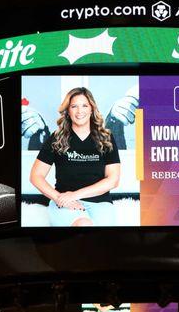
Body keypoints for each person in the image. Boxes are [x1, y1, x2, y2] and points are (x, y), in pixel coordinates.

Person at [29, 87, 121, 226]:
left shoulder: (105, 138)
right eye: (74, 106)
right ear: (68, 111)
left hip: (100, 203)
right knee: (83, 224)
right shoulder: (57, 138)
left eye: (84, 105)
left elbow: (113, 180)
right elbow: (36, 176)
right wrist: (60, 197)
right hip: (65, 202)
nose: (79, 111)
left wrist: (75, 194)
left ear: (92, 109)